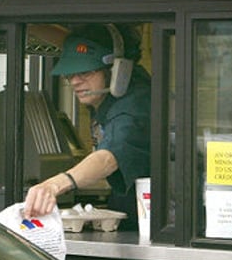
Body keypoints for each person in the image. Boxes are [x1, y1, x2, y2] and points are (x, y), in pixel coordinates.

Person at [23, 24, 151, 230]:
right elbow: (71, 45)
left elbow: (108, 157)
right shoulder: (116, 81)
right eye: (70, 74)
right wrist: (26, 23)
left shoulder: (133, 106)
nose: (75, 81)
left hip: (150, 215)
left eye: (85, 72)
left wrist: (53, 185)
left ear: (115, 70)